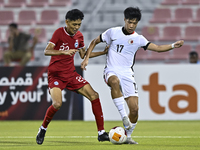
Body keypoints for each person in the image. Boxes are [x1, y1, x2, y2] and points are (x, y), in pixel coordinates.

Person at [81, 7, 184, 144]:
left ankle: (127, 136)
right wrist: (87, 58)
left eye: (134, 23)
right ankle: (124, 116)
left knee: (135, 109)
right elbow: (94, 41)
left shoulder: (139, 39)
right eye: (129, 22)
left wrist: (172, 45)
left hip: (127, 74)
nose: (131, 25)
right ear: (124, 19)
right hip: (111, 70)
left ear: (137, 23)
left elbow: (158, 48)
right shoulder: (112, 32)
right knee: (114, 81)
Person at [36, 9, 109, 145]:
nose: (76, 28)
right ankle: (43, 129)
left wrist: (102, 53)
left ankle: (101, 133)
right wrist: (63, 52)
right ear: (67, 22)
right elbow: (47, 51)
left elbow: (83, 55)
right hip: (56, 75)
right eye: (74, 24)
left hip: (71, 75)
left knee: (94, 95)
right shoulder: (59, 33)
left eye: (79, 25)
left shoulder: (79, 36)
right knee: (57, 104)